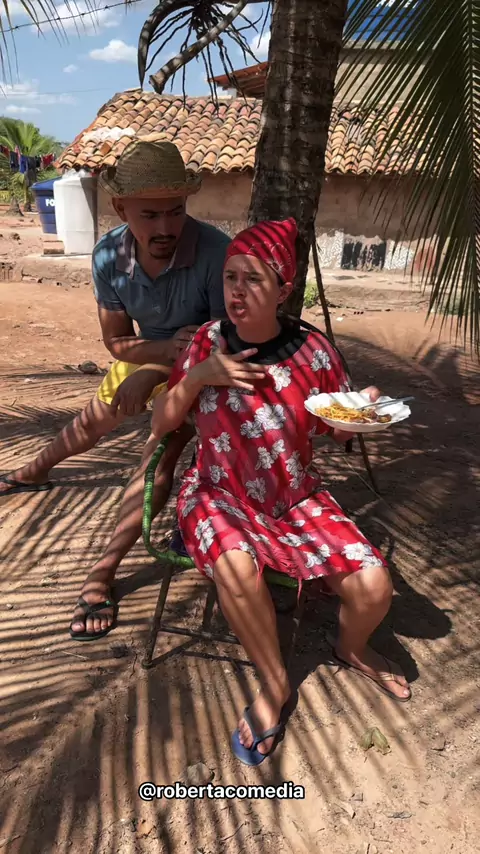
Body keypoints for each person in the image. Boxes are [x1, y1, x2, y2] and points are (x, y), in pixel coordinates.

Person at [151, 217, 411, 766]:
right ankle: (274, 685)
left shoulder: (313, 351)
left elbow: (338, 426)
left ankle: (352, 647)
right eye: (230, 277)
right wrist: (198, 378)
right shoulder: (206, 342)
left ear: (283, 289)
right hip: (217, 492)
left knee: (374, 586)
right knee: (235, 565)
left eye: (253, 279)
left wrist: (361, 412)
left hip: (295, 498)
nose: (237, 291)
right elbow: (161, 423)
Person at [0, 139, 231, 641]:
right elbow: (116, 341)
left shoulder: (216, 253)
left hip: (204, 373)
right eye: (150, 215)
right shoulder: (108, 255)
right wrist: (156, 359)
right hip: (155, 353)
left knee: (158, 457)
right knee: (94, 418)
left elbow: (220, 345)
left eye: (176, 211)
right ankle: (34, 471)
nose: (166, 227)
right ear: (121, 208)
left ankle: (101, 575)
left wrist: (160, 373)